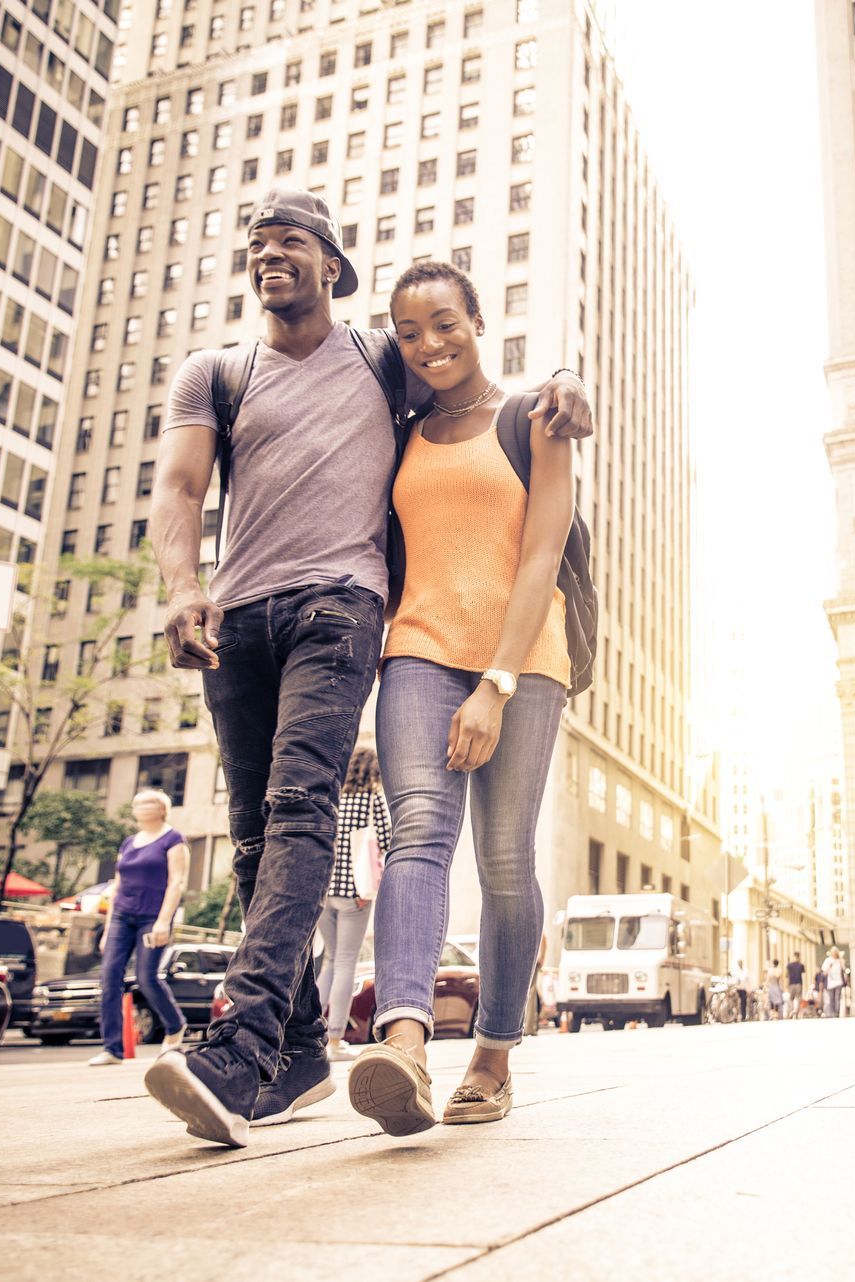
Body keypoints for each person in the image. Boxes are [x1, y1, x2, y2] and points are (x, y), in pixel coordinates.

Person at [144, 193, 591, 1147]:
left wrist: (563, 376)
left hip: (436, 636)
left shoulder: (452, 388)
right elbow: (189, 486)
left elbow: (534, 529)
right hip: (333, 630)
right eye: (411, 332)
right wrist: (183, 588)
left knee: (475, 851)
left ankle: (458, 1050)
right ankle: (351, 1047)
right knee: (339, 832)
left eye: (292, 242)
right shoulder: (280, 388)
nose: (426, 346)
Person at [345, 261, 582, 1134]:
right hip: (417, 650)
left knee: (505, 860)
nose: (429, 344)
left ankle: (492, 1054)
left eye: (445, 323)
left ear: (478, 320)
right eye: (409, 333)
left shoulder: (534, 418)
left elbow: (540, 554)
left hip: (522, 658)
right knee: (417, 834)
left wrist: (498, 683)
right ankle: (404, 1044)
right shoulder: (399, 428)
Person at [91, 789, 190, 1066]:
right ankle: (112, 1048)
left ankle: (174, 1025)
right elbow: (118, 886)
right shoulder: (128, 843)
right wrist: (109, 928)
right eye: (137, 804)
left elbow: (177, 882)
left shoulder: (173, 840)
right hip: (122, 915)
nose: (142, 807)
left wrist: (163, 920)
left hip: (152, 917)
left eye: (148, 803)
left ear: (162, 809)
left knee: (146, 978)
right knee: (109, 977)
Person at [311, 747, 390, 1066]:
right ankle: (334, 1038)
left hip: (325, 889)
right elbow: (387, 837)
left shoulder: (334, 798)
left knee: (329, 961)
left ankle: (312, 1034)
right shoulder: (371, 800)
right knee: (345, 962)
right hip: (356, 890)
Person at [822, 948, 846, 1017]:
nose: (834, 954)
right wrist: (829, 967)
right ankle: (832, 1013)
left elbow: (844, 970)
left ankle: (836, 1013)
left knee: (837, 998)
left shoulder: (840, 961)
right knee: (831, 999)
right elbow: (824, 973)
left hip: (839, 982)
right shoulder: (828, 960)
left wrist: (841, 961)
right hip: (830, 983)